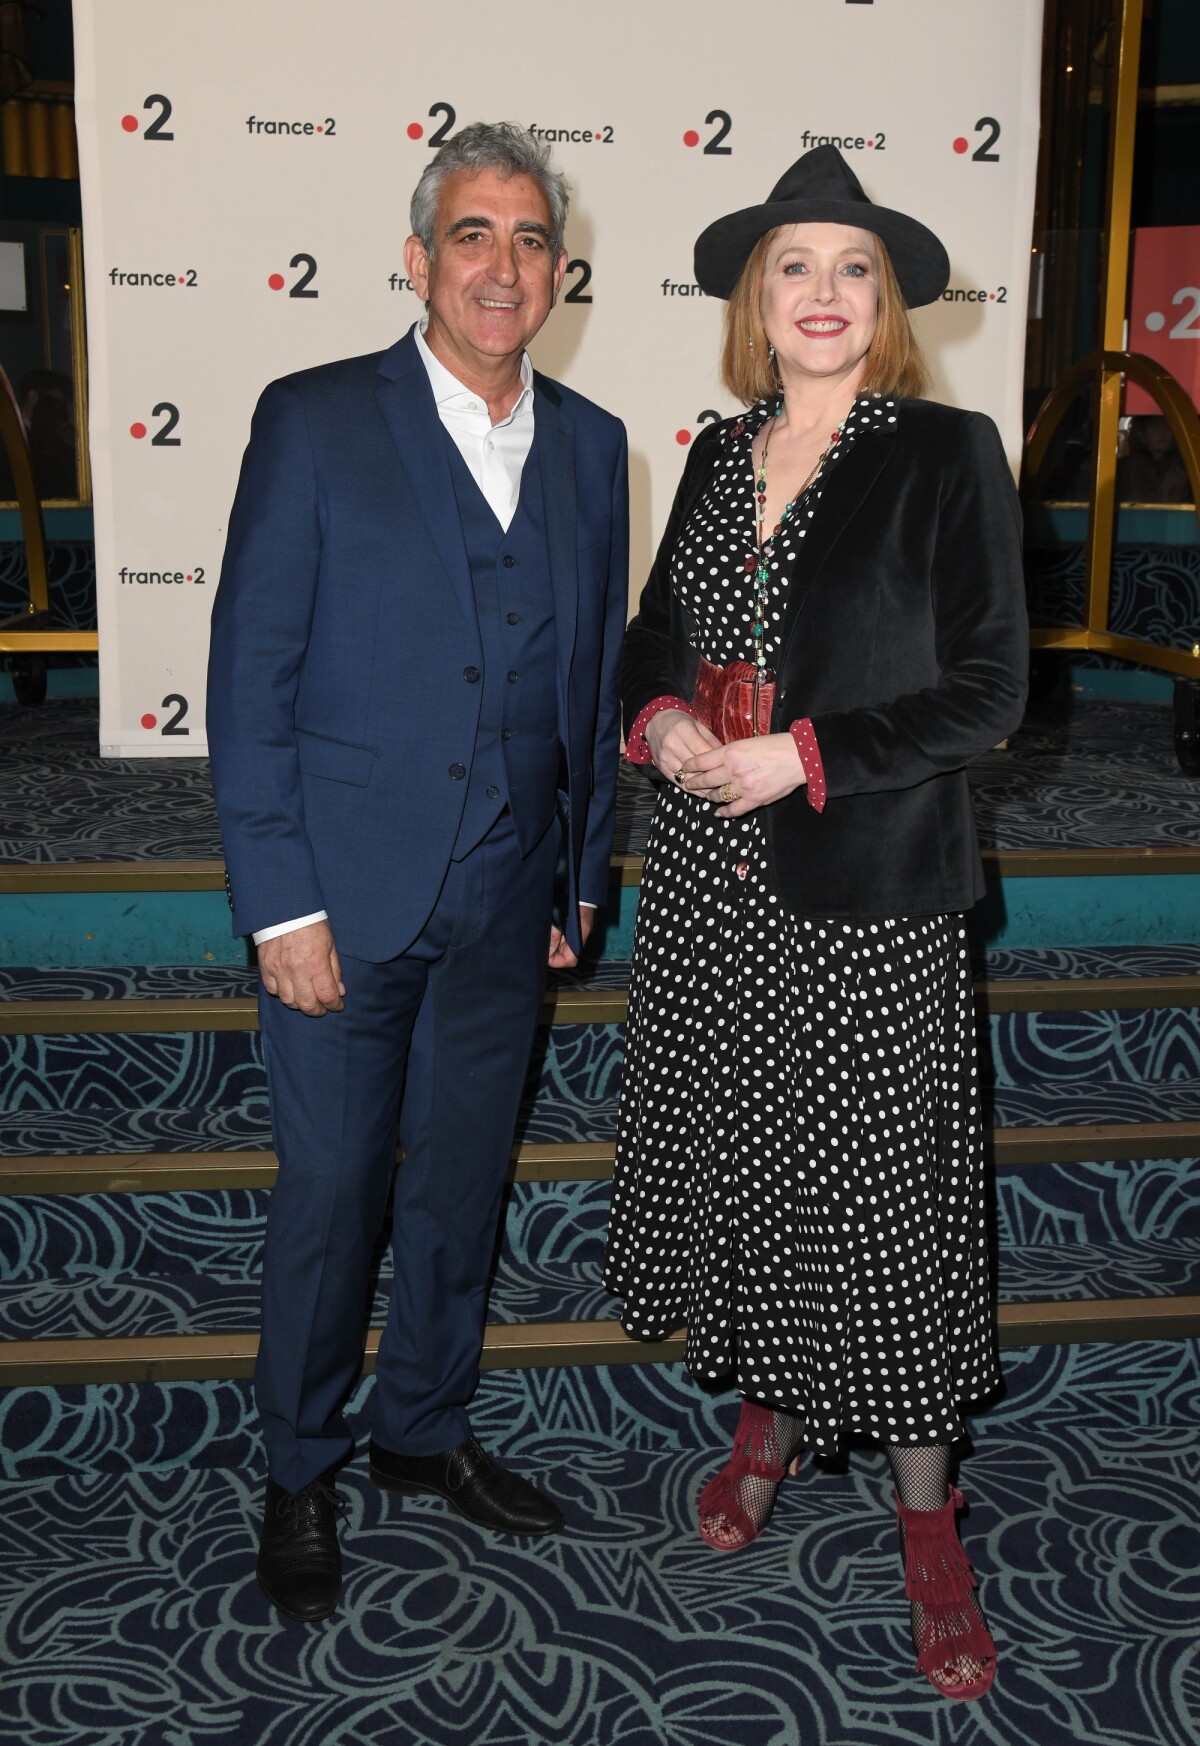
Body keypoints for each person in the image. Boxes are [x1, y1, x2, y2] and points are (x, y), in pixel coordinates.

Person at [605, 145, 1027, 1700]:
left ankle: (930, 1524)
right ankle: (769, 1416)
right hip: (718, 890)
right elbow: (656, 632)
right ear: (753, 297)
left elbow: (992, 692)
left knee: (887, 1212)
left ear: (890, 301)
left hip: (869, 903)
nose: (824, 294)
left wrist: (806, 754)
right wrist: (658, 720)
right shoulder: (719, 456)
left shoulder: (945, 451)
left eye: (855, 269)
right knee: (747, 1160)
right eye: (796, 266)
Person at [207, 121, 628, 1621]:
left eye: (528, 239)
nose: (502, 265)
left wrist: (585, 875)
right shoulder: (315, 420)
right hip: (344, 895)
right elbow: (250, 677)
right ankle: (301, 1465)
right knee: (332, 1191)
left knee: (461, 1183)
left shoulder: (591, 443)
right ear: (417, 258)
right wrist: (280, 901)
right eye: (473, 234)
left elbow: (583, 688)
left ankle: (423, 1429)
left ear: (559, 269)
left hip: (513, 896)